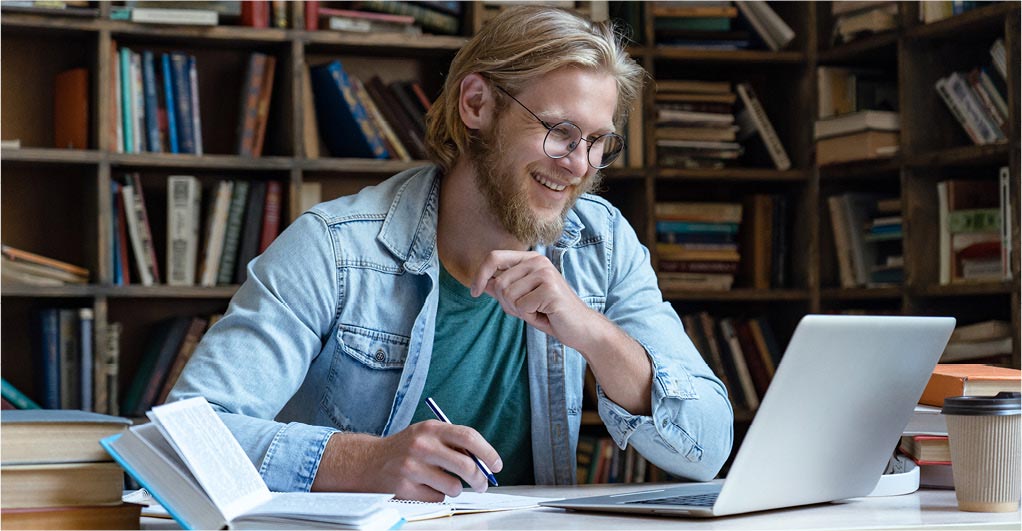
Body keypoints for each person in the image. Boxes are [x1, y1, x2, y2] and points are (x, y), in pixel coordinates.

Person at [170, 5, 733, 502]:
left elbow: (705, 448)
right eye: (561, 131)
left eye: (596, 142)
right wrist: (366, 463)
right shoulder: (335, 248)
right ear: (476, 103)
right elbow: (183, 440)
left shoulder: (601, 244)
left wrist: (591, 331)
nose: (579, 165)